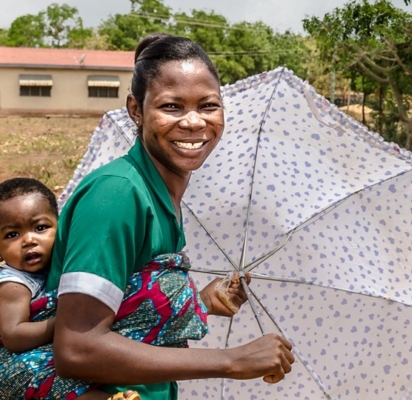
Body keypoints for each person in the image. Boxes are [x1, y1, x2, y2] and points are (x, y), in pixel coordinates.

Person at [42, 32, 294, 400]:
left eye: (208, 106)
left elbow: (127, 311)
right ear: (135, 110)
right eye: (172, 107)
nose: (194, 123)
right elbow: (77, 348)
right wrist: (229, 361)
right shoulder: (117, 195)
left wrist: (201, 303)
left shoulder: (159, 195)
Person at [0, 177, 140, 400]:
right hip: (12, 366)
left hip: (48, 350)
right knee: (52, 380)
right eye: (12, 235)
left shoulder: (66, 262)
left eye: (40, 227)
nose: (28, 240)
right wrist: (69, 320)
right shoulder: (12, 283)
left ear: (61, 227)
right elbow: (14, 336)